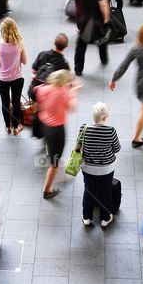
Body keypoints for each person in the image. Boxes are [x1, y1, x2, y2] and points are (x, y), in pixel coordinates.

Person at [74, 102, 120, 227]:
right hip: (106, 169)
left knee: (88, 190)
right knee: (106, 192)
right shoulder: (110, 131)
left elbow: (79, 145)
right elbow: (117, 149)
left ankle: (87, 217)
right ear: (105, 117)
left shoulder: (84, 128)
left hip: (88, 168)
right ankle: (105, 219)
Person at [36, 70, 80, 199]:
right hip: (56, 131)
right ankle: (47, 189)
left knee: (54, 154)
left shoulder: (43, 89)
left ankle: (60, 175)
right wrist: (74, 91)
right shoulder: (64, 93)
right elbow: (73, 108)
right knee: (54, 162)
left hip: (44, 125)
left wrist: (69, 89)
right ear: (64, 83)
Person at [74, 0, 110, 76]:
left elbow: (77, 5)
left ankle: (78, 69)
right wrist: (106, 20)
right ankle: (104, 59)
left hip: (83, 20)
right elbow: (103, 4)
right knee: (102, 40)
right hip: (96, 19)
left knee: (81, 44)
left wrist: (78, 23)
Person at [0, 17, 27, 133]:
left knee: (5, 102)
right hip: (17, 78)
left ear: (2, 30)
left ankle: (7, 126)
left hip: (2, 79)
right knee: (16, 102)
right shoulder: (20, 43)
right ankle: (16, 127)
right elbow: (24, 61)